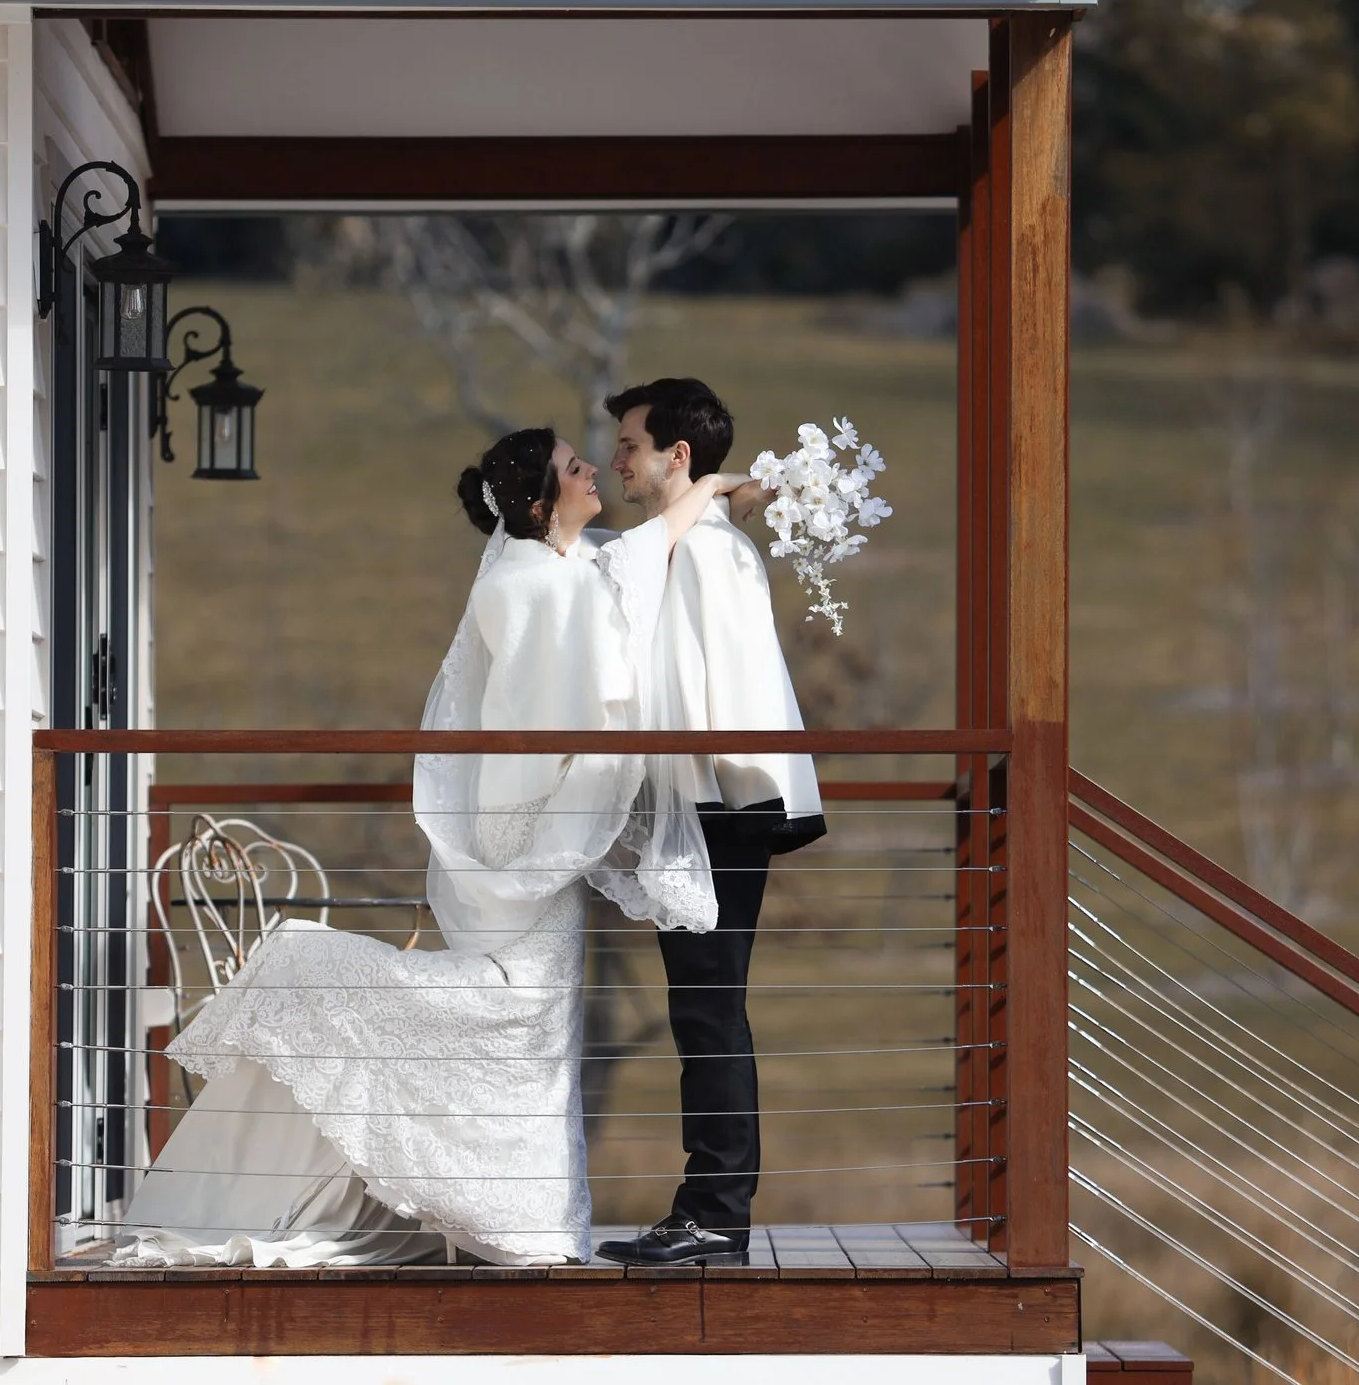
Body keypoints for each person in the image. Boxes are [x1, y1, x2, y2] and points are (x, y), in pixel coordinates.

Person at [111, 427, 754, 1269]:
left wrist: (703, 498)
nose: (592, 468)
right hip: (522, 841)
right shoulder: (521, 585)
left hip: (535, 837)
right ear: (536, 501)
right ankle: (512, 1214)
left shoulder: (552, 566)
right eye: (572, 466)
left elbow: (617, 570)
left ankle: (535, 1222)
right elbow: (618, 592)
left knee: (537, 1023)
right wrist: (709, 486)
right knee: (517, 1013)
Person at [594, 379, 826, 1267]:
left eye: (629, 445)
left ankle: (717, 1215)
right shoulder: (684, 542)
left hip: (720, 808)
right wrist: (723, 485)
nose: (617, 459)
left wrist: (750, 798)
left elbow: (736, 680)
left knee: (710, 1009)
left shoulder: (710, 555)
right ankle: (711, 1209)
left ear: (675, 457)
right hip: (702, 805)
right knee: (702, 1008)